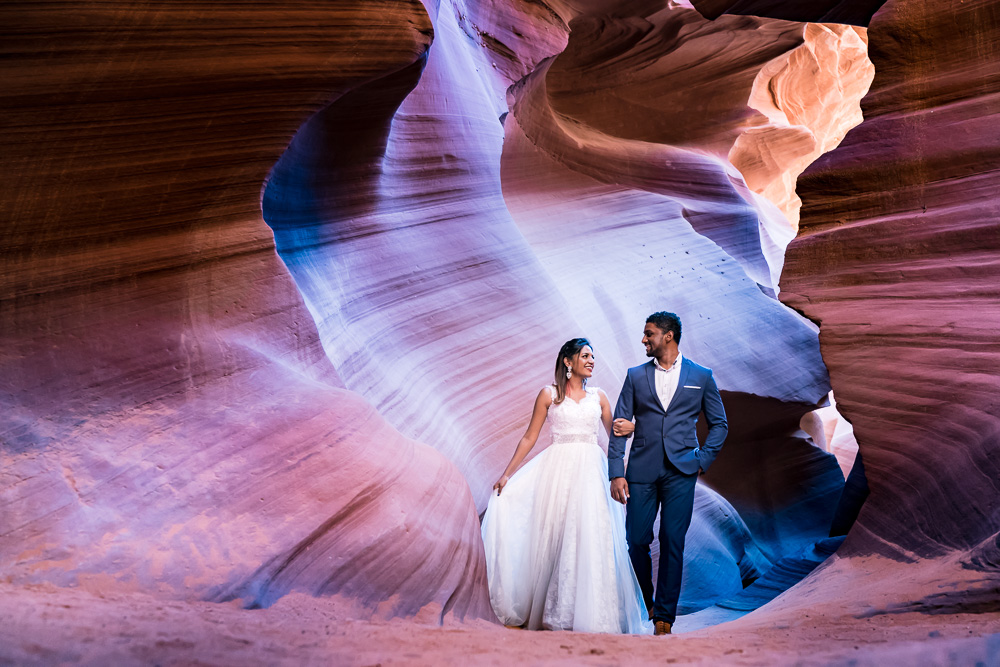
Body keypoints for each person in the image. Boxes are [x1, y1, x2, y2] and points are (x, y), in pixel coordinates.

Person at [481, 338, 652, 634]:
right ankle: (557, 613)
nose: (591, 361)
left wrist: (640, 427)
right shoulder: (549, 394)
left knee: (591, 535)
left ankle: (598, 614)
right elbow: (529, 437)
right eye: (585, 356)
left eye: (593, 357)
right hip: (557, 471)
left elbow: (616, 435)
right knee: (557, 535)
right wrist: (508, 473)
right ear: (568, 361)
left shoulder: (599, 397)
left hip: (591, 472)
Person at [609, 311, 728, 636]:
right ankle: (646, 602)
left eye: (649, 334)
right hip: (641, 471)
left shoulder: (701, 375)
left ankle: (664, 618)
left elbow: (720, 424)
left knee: (673, 541)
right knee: (636, 540)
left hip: (682, 471)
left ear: (669, 336)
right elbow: (620, 427)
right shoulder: (635, 375)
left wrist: (702, 459)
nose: (644, 339)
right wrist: (616, 472)